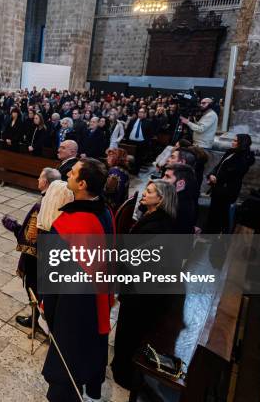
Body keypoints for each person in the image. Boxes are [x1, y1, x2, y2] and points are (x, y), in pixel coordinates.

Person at [42, 157, 114, 401]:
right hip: (97, 296)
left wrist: (46, 308)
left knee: (67, 360)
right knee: (89, 349)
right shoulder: (106, 211)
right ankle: (91, 386)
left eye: (72, 173)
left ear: (82, 184)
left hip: (72, 305)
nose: (68, 176)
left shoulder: (68, 224)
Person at [111, 180, 182, 391]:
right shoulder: (155, 218)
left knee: (129, 332)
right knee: (128, 331)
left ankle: (124, 374)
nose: (144, 194)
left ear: (160, 199)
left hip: (141, 294)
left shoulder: (157, 227)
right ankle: (123, 367)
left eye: (149, 192)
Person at [1, 167, 62, 331]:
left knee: (34, 289)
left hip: (35, 258)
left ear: (46, 182)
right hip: (51, 255)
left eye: (40, 178)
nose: (37, 180)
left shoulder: (42, 205)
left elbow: (29, 237)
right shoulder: (60, 202)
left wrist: (14, 227)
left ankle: (37, 322)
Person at [206, 134, 255, 233]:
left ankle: (219, 235)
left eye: (236, 141)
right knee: (214, 212)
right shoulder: (230, 152)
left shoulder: (244, 158)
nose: (233, 142)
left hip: (226, 190)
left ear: (242, 143)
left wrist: (216, 179)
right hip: (218, 187)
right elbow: (219, 166)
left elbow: (233, 173)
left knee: (221, 213)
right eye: (233, 140)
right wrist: (212, 175)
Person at [163, 163, 198, 234]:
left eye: (167, 177)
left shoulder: (175, 205)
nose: (162, 179)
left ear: (180, 184)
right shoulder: (182, 198)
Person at [125, 108, 152, 173]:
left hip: (141, 143)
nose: (140, 113)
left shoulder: (148, 122)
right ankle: (127, 168)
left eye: (142, 112)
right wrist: (127, 139)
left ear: (145, 114)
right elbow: (128, 130)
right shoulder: (133, 120)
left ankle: (135, 171)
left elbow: (149, 134)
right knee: (128, 156)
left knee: (138, 158)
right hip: (131, 142)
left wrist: (145, 142)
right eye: (139, 112)